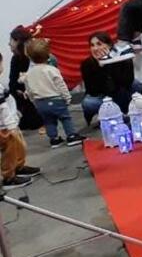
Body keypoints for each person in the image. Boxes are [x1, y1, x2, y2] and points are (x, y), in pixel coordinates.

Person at [23, 39, 85, 148]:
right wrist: (67, 97)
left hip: (40, 103)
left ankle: (54, 139)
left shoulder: (28, 74)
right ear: (48, 54)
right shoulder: (51, 70)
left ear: (29, 56)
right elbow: (61, 85)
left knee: (49, 121)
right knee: (65, 118)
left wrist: (34, 102)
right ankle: (71, 136)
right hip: (56, 100)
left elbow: (29, 90)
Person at [80, 32, 142, 126]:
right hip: (103, 98)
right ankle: (114, 114)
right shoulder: (87, 64)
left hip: (121, 93)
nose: (95, 48)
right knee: (88, 102)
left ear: (109, 45)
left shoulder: (123, 58)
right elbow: (92, 91)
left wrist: (110, 62)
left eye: (99, 44)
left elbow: (126, 82)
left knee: (135, 84)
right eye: (92, 45)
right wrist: (99, 67)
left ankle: (134, 109)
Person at [0, 52, 41, 190]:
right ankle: (8, 177)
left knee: (20, 146)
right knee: (9, 150)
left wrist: (15, 114)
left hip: (10, 121)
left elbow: (8, 100)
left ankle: (19, 166)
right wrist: (10, 124)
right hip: (4, 126)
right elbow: (2, 107)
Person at [8, 26, 43, 130]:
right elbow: (12, 84)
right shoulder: (15, 59)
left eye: (11, 40)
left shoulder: (32, 57)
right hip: (22, 99)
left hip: (36, 97)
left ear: (18, 41)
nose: (9, 44)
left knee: (33, 122)